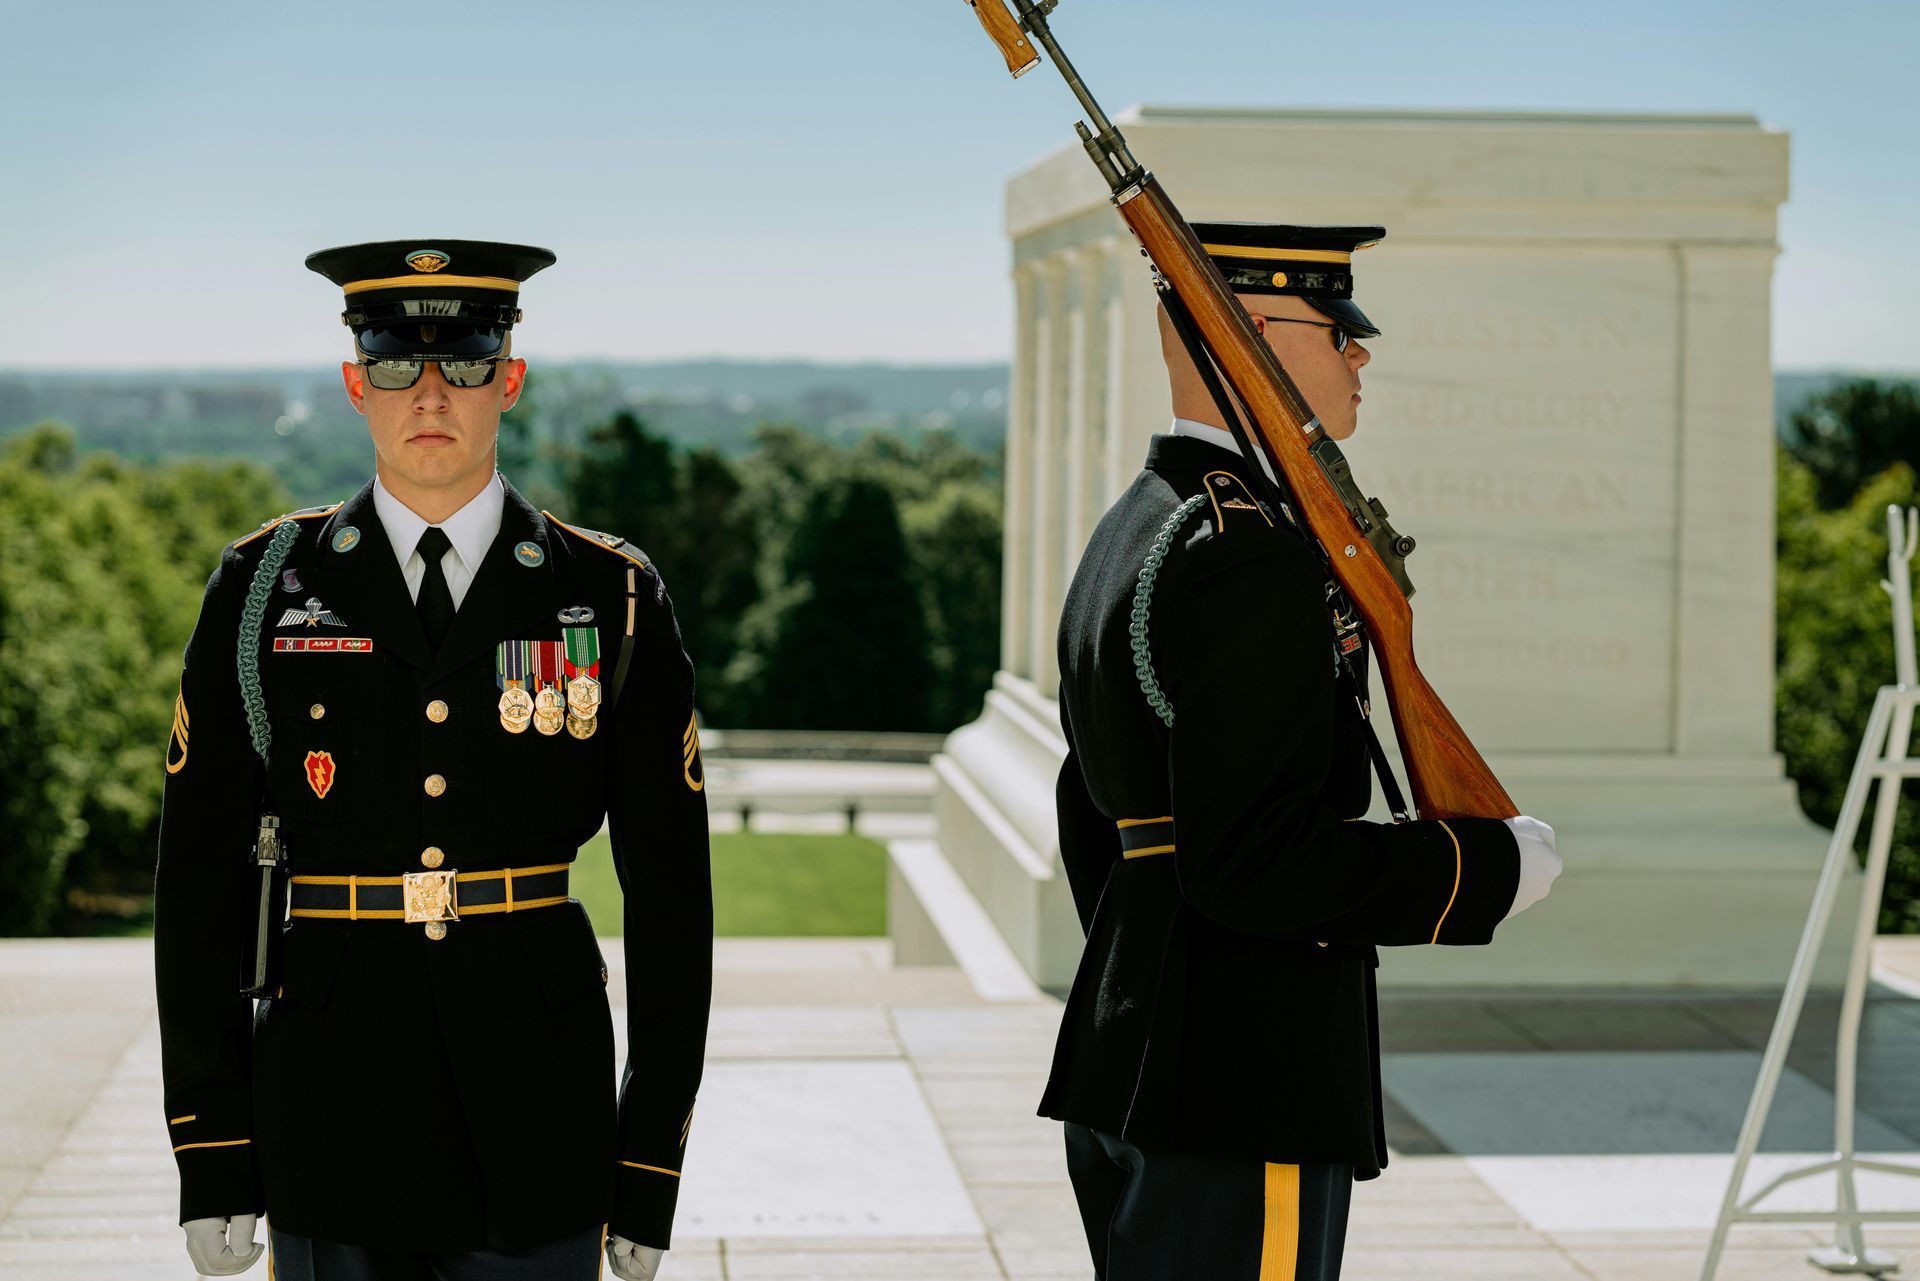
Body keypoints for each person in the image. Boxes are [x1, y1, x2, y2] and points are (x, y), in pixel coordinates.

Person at [154, 239, 712, 1281]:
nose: (432, 394)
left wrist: (650, 1161)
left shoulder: (610, 593)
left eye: (463, 363)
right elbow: (196, 889)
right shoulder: (262, 591)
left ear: (510, 381)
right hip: (330, 1108)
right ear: (355, 386)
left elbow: (675, 901)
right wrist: (212, 1150)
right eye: (397, 365)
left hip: (538, 1105)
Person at [1041, 222, 1562, 1280]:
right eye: (1338, 332)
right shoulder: (1250, 556)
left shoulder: (1137, 528)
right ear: (1255, 341)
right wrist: (1485, 870)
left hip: (1134, 1049)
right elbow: (1256, 859)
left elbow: (1094, 814)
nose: (1361, 355)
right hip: (1245, 1074)